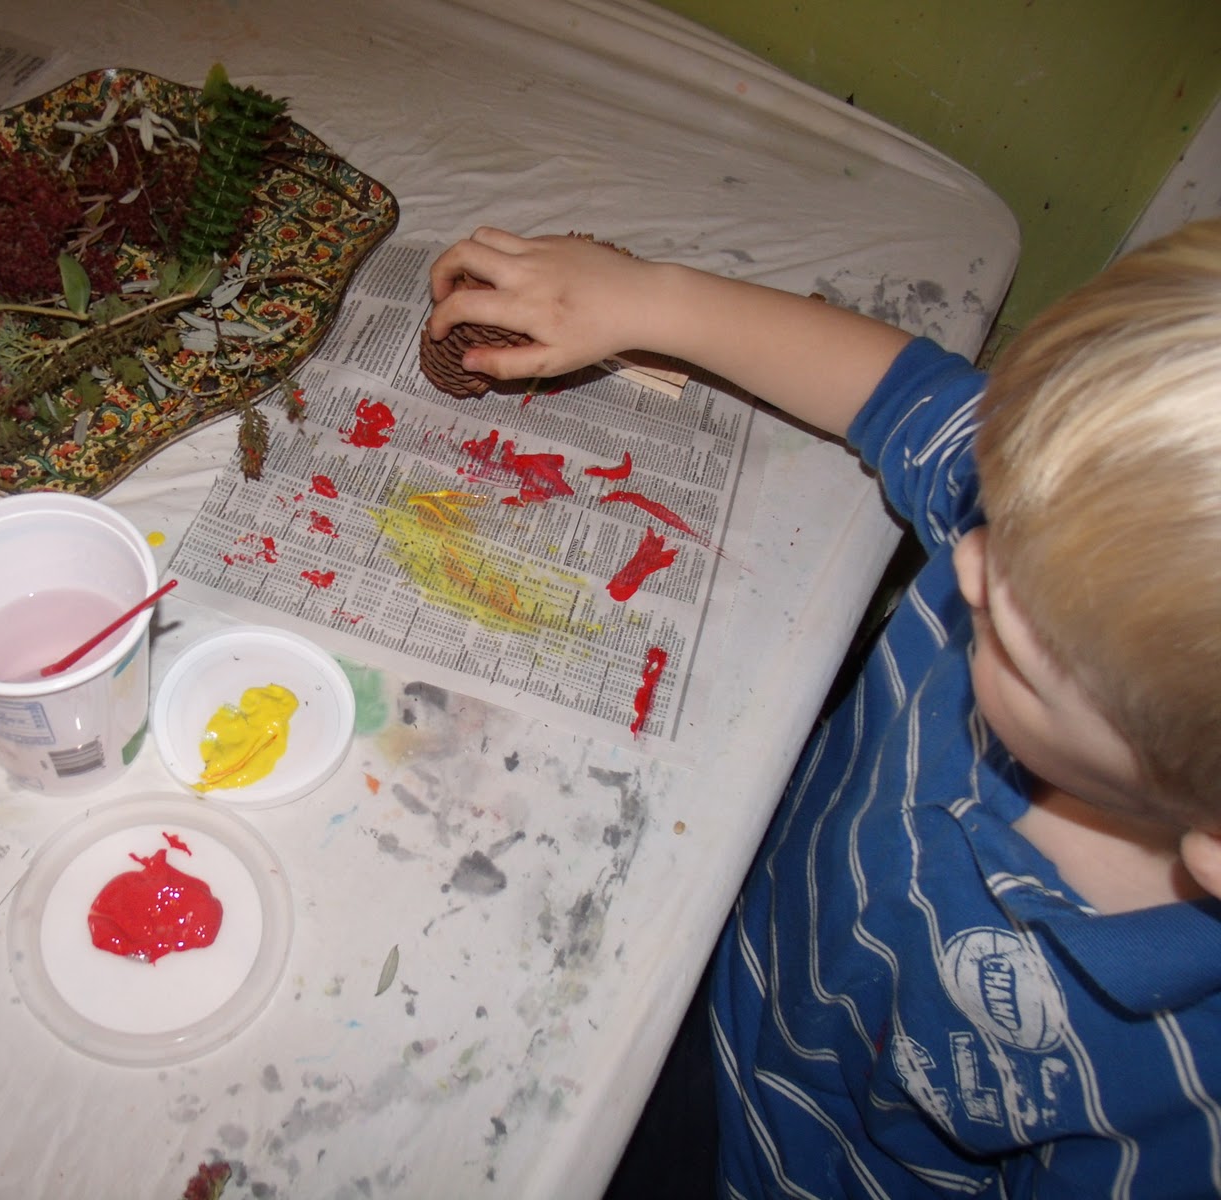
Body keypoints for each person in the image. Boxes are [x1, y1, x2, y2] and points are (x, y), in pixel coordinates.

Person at [425, 223, 1221, 1196]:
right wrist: (650, 302)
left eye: (1016, 640)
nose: (966, 558)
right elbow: (900, 392)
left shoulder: (1184, 1107)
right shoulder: (1061, 526)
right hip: (717, 934)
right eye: (995, 509)